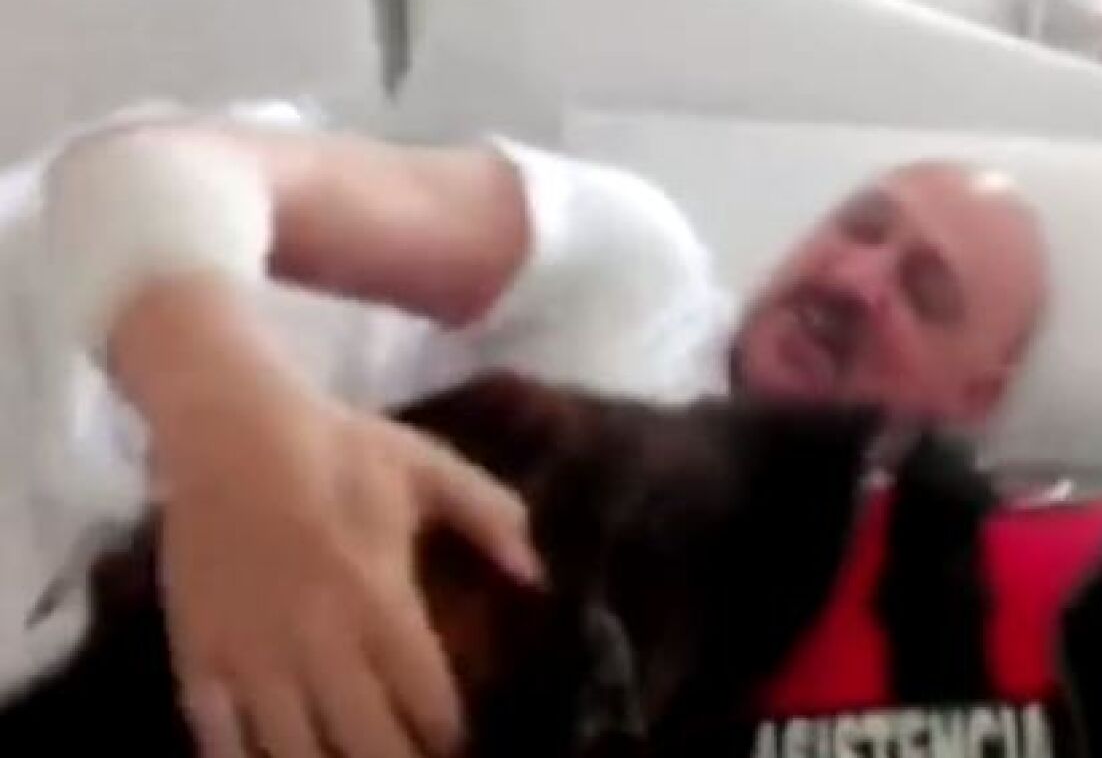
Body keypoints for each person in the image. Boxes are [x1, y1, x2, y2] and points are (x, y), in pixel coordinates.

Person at [0, 105, 1048, 758]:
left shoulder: (891, 639)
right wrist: (238, 442)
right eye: (861, 225)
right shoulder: (638, 278)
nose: (857, 279)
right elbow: (141, 173)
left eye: (926, 292)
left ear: (975, 397)